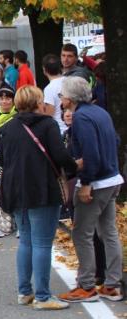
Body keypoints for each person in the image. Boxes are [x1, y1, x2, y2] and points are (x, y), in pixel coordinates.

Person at [0, 85, 76, 310]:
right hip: (42, 188)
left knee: (26, 241)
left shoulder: (7, 127)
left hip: (15, 190)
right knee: (42, 243)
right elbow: (60, 155)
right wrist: (75, 166)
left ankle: (24, 292)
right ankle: (43, 296)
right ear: (37, 102)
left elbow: (3, 161)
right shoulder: (48, 125)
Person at [56, 77, 124, 303]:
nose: (61, 99)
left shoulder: (81, 118)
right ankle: (112, 284)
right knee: (109, 232)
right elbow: (114, 141)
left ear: (70, 97)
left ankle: (86, 285)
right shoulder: (100, 112)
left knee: (82, 233)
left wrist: (85, 183)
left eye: (62, 95)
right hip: (112, 178)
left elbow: (90, 153)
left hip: (95, 182)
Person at [42, 54, 68, 134]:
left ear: (44, 70)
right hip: (72, 127)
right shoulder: (69, 81)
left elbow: (49, 114)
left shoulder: (49, 89)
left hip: (60, 130)